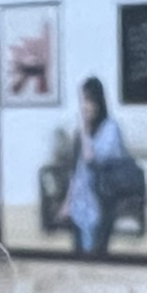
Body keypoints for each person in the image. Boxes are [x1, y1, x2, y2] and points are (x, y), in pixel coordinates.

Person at [57, 76, 132, 257]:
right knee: (78, 255)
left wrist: (84, 131)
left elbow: (92, 159)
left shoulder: (111, 128)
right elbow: (76, 172)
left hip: (103, 201)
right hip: (80, 205)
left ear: (98, 101)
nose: (85, 106)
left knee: (98, 255)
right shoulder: (80, 134)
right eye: (82, 101)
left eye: (89, 100)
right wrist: (67, 203)